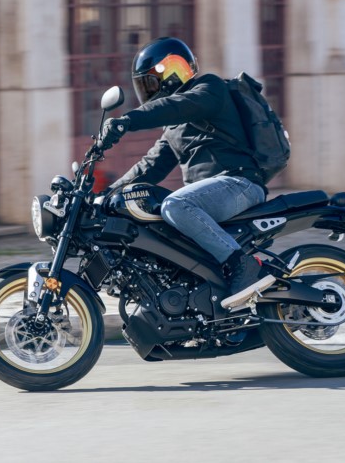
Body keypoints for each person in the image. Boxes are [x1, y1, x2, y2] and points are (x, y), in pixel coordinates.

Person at [96, 37, 275, 302]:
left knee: (175, 205)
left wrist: (127, 121)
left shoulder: (210, 89)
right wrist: (106, 195)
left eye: (150, 83)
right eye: (143, 85)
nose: (147, 91)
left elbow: (176, 106)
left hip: (239, 184)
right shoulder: (175, 127)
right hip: (211, 198)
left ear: (171, 73)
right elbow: (150, 167)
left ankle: (243, 265)